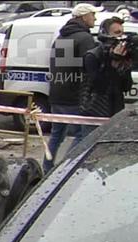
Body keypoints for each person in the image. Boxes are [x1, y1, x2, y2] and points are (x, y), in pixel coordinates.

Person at [44, 3, 103, 173]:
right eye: (93, 15)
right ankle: (64, 171)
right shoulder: (84, 38)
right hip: (74, 96)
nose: (95, 18)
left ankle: (47, 168)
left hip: (56, 94)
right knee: (81, 134)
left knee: (56, 135)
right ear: (84, 17)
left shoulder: (61, 37)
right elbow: (90, 67)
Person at [81, 17, 134, 117]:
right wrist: (112, 63)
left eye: (122, 33)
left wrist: (124, 65)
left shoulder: (121, 56)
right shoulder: (93, 56)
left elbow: (126, 87)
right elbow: (100, 87)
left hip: (116, 109)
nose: (121, 37)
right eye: (117, 33)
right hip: (96, 110)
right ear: (105, 35)